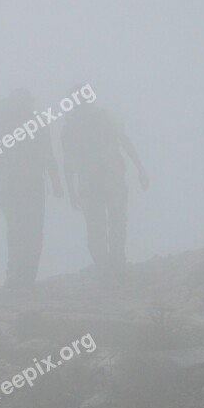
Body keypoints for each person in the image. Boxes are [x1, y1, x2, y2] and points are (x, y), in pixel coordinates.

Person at [61, 100, 148, 283]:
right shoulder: (105, 115)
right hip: (113, 175)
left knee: (95, 226)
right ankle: (118, 264)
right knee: (117, 220)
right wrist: (140, 168)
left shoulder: (70, 126)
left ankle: (103, 268)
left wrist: (71, 190)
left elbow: (68, 162)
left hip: (88, 181)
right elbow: (125, 141)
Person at [0, 89, 63, 290]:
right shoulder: (38, 123)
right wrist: (56, 183)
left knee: (15, 230)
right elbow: (48, 153)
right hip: (32, 184)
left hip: (6, 186)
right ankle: (26, 278)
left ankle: (14, 277)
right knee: (34, 232)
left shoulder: (1, 125)